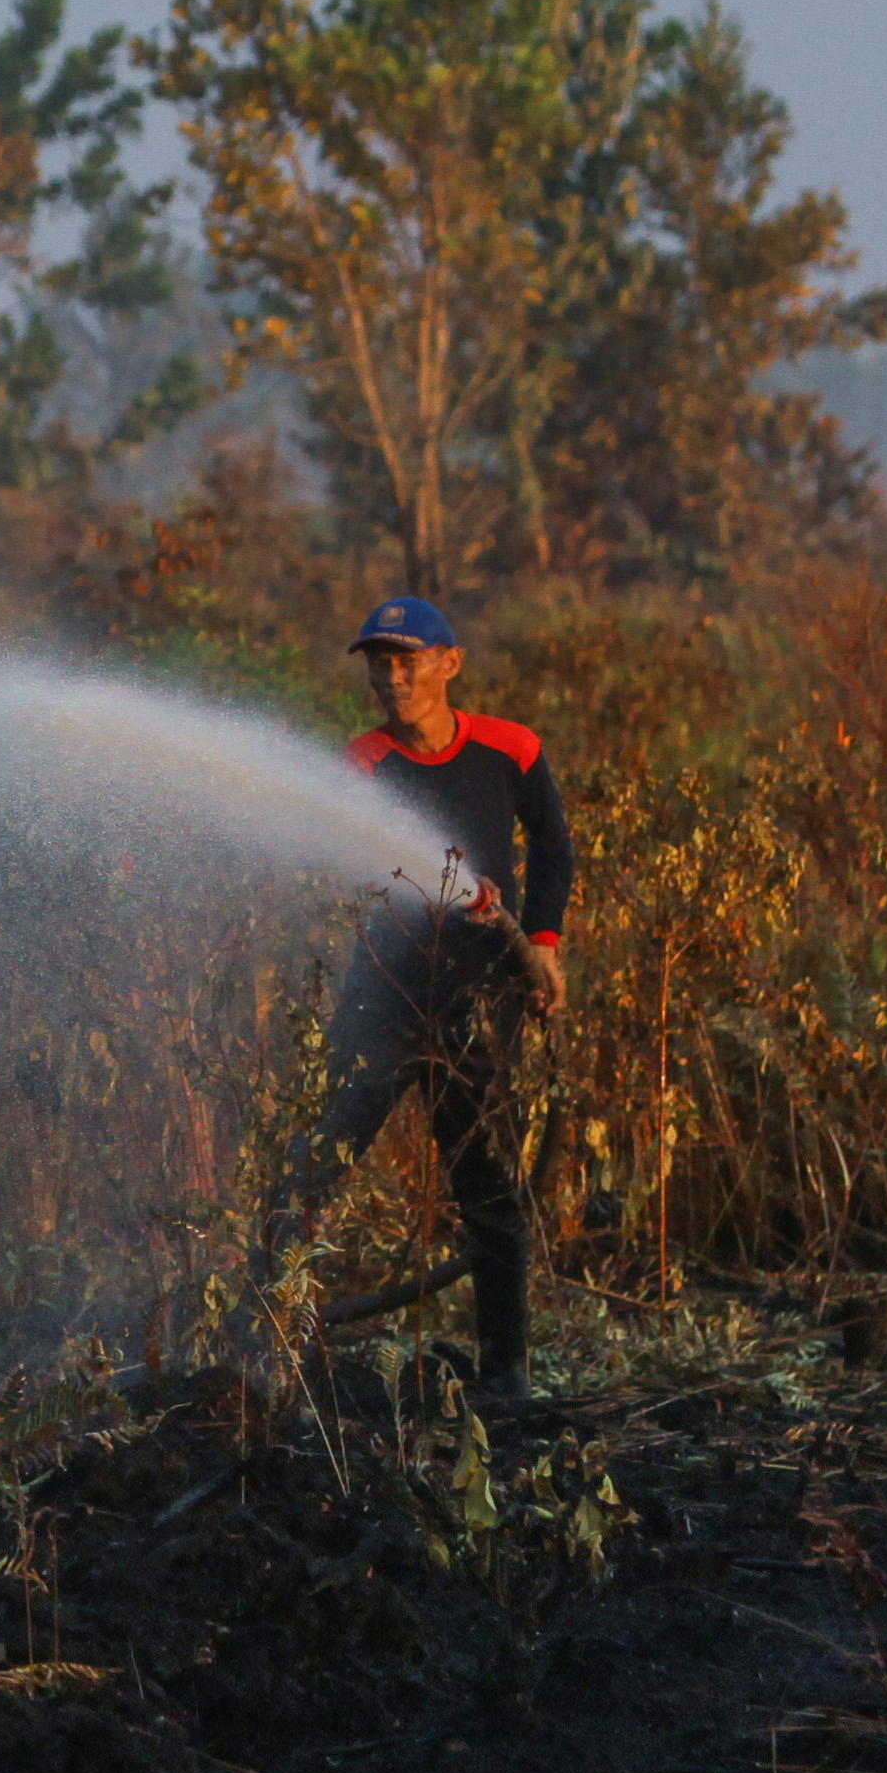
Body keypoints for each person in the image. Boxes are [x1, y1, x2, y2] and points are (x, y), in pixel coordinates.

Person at [297, 595, 575, 1404]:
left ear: (449, 663)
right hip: (384, 990)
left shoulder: (510, 749)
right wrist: (444, 889)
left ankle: (506, 1377)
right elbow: (354, 861)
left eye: (407, 658)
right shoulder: (364, 764)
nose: (391, 676)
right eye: (379, 662)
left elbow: (554, 850)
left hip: (484, 993)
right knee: (316, 1165)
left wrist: (544, 947)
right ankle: (274, 1339)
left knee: (487, 1182)